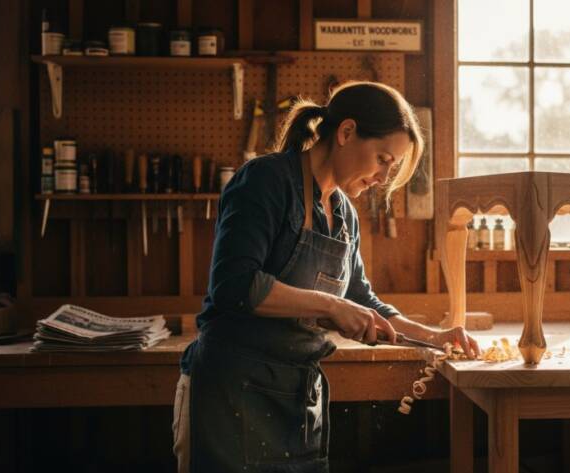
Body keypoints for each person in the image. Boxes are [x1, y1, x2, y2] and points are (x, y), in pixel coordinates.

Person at [172, 81, 480, 473]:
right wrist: (333, 306)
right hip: (232, 394)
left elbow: (363, 300)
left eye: (393, 166)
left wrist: (434, 338)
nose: (385, 176)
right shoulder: (266, 182)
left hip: (298, 399)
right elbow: (234, 285)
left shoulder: (344, 215)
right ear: (346, 132)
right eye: (383, 158)